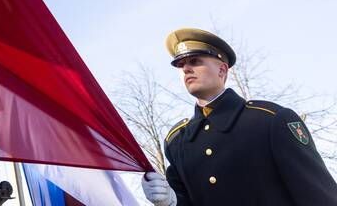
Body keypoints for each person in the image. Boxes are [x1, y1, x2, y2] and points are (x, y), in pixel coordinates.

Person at [141, 28, 337, 206]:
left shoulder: (270, 120)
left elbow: (319, 195)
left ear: (222, 70)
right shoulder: (177, 141)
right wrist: (171, 201)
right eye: (181, 64)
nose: (186, 69)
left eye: (194, 61)